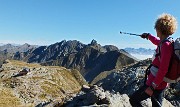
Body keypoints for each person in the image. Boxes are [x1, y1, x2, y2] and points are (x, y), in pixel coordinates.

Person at [129, 13, 178, 107]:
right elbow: (157, 42)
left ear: (160, 29)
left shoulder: (165, 46)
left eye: (156, 28)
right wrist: (148, 36)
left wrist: (152, 86)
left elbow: (163, 69)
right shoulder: (168, 41)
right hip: (161, 83)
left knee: (133, 100)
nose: (155, 29)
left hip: (155, 83)